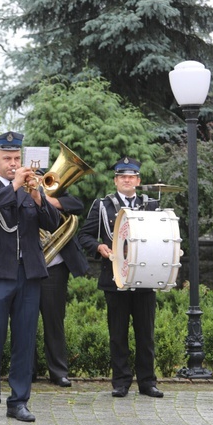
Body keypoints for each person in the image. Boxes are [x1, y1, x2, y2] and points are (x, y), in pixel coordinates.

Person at [0, 131, 60, 423]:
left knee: (24, 339)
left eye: (16, 158)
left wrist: (37, 196)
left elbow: (53, 223)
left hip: (28, 271)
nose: (13, 163)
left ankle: (19, 401)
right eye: (7, 158)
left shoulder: (32, 186)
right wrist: (16, 185)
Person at [77, 157, 163, 399]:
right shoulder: (103, 205)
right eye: (122, 176)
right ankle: (121, 382)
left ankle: (148, 382)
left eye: (132, 176)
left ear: (138, 180)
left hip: (145, 277)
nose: (127, 180)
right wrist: (99, 247)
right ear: (115, 180)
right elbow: (85, 235)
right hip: (116, 277)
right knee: (118, 334)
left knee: (146, 334)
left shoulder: (151, 204)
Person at [35, 190, 89, 387]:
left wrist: (46, 199)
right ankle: (28, 370)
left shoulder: (57, 193)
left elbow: (78, 204)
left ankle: (58, 372)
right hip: (26, 266)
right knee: (24, 321)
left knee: (54, 321)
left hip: (54, 268)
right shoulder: (17, 192)